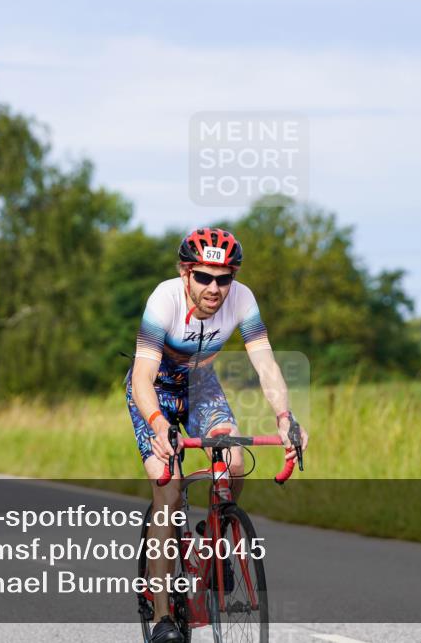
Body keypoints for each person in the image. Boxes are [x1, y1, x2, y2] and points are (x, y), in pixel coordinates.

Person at [126, 227, 309, 643]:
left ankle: (214, 534)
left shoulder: (242, 299)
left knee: (236, 462)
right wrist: (158, 424)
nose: (215, 288)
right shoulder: (164, 299)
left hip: (201, 386)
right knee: (168, 491)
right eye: (205, 277)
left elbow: (266, 365)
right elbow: (141, 377)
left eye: (224, 278)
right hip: (155, 393)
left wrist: (285, 417)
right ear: (185, 273)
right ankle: (161, 619)